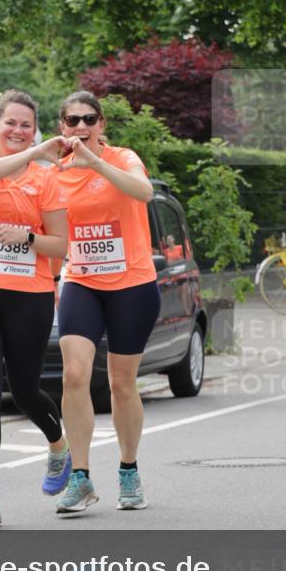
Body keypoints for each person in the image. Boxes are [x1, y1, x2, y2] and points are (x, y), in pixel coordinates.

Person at [0, 89, 71, 526]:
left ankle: (58, 446)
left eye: (27, 125)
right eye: (11, 123)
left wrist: (24, 238)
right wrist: (38, 152)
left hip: (30, 296)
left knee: (23, 390)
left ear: (33, 129)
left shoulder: (47, 180)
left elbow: (60, 245)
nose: (18, 131)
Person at [54, 91, 160, 514]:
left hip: (132, 284)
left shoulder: (123, 157)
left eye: (89, 119)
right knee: (74, 373)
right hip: (81, 280)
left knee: (120, 383)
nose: (81, 127)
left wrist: (95, 162)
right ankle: (80, 477)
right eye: (73, 121)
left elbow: (145, 191)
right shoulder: (55, 172)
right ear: (62, 126)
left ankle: (129, 469)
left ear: (102, 124)